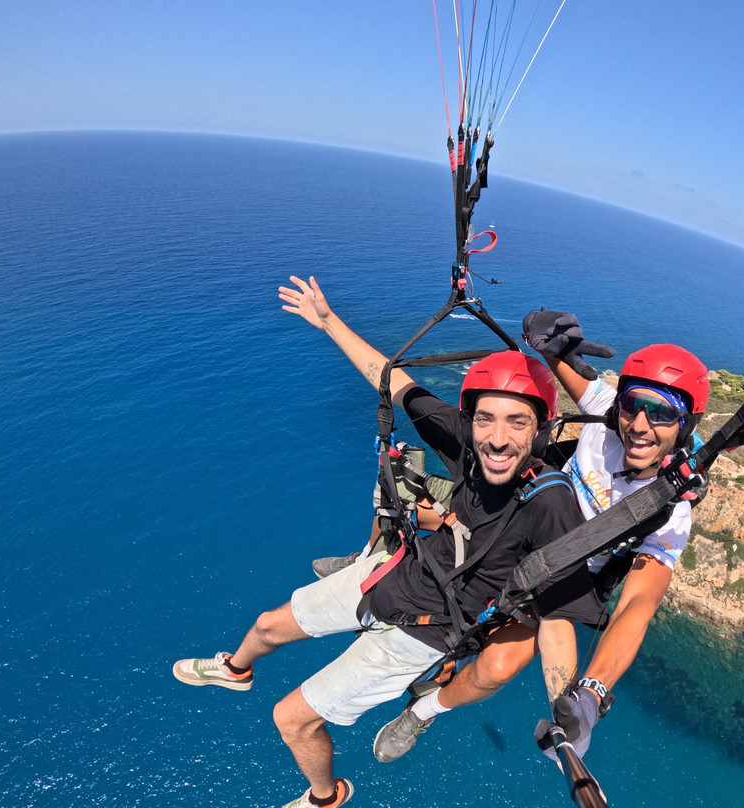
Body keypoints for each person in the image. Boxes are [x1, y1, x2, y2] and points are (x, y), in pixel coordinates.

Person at [172, 279, 599, 808]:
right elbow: (394, 381)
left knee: (291, 719)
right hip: (393, 575)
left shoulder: (549, 502)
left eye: (517, 422)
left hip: (427, 632)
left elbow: (556, 617)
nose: (497, 437)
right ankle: (236, 670)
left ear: (540, 430)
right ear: (471, 420)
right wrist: (328, 321)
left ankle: (325, 798)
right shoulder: (469, 446)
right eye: (486, 419)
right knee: (265, 626)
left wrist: (565, 707)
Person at [371, 309, 709, 764]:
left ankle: (423, 711)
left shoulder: (670, 513)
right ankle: (370, 562)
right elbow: (560, 361)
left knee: (496, 666)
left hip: (558, 574)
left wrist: (590, 695)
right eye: (633, 405)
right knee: (405, 493)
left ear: (685, 424)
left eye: (663, 413)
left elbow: (637, 605)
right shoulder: (606, 414)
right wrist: (542, 337)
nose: (641, 425)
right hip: (522, 521)